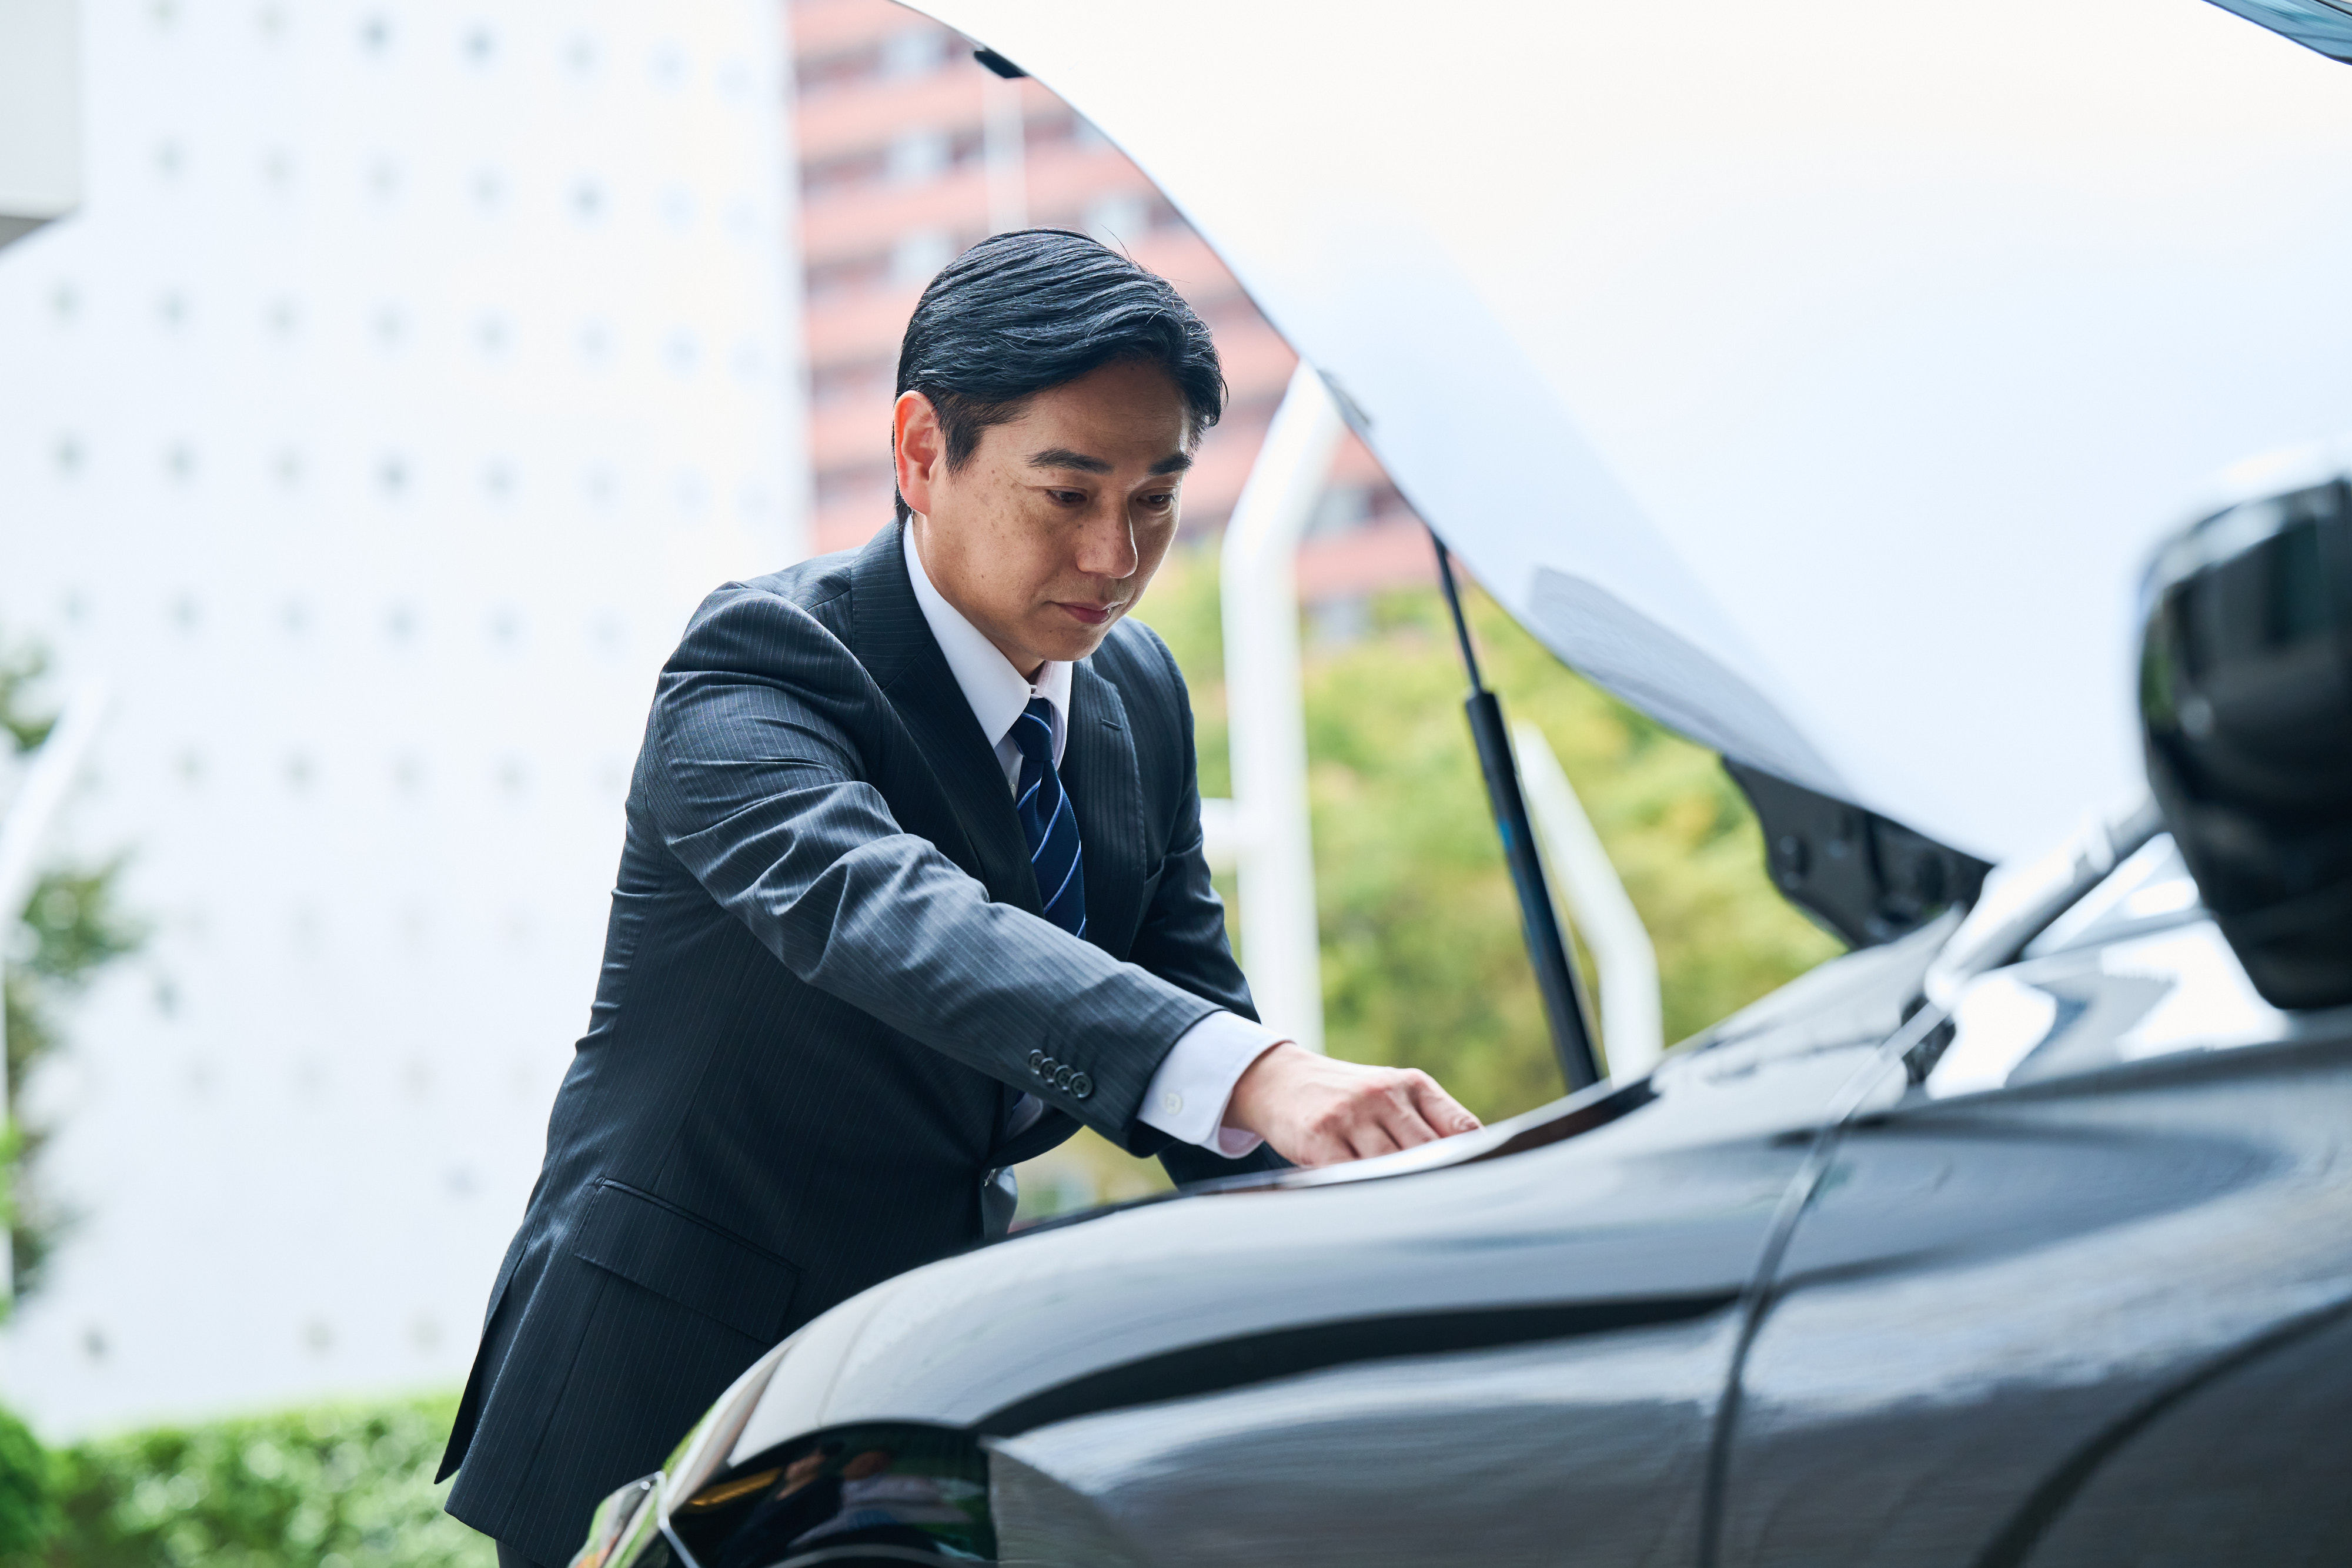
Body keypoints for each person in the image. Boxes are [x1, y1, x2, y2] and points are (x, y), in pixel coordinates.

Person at [437, 229, 1481, 1568]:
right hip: (669, 1373)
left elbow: (1185, 1008)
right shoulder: (759, 666)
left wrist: (1419, 1196)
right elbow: (886, 912)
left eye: (1156, 498)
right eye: (1067, 493)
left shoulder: (1135, 693)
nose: (1116, 553)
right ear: (922, 451)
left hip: (910, 1379)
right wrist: (1262, 1072)